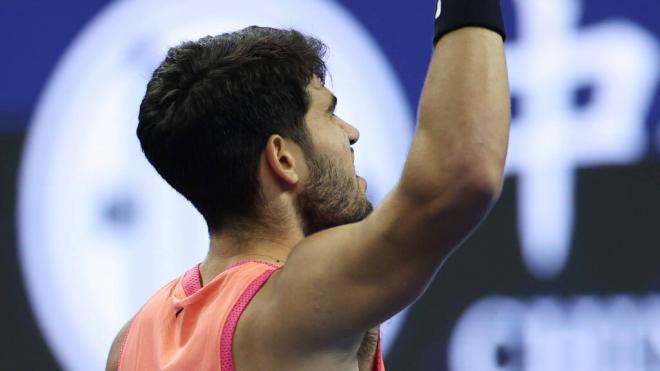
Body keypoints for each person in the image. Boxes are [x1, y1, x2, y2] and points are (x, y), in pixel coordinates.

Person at [106, 0, 510, 369]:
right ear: (283, 159)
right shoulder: (293, 304)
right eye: (330, 114)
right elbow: (460, 173)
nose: (351, 133)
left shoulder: (128, 346)